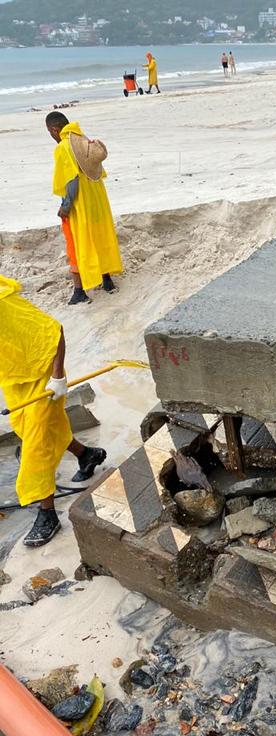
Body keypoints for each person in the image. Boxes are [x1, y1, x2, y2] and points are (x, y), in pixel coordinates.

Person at [0, 275, 107, 547]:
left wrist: (58, 378)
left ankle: (47, 514)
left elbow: (54, 330)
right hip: (15, 380)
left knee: (36, 445)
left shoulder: (6, 306)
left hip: (43, 375)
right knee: (45, 429)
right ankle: (87, 455)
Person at [46, 112, 122, 306]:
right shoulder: (83, 140)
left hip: (81, 204)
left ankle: (79, 291)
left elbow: (71, 180)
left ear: (55, 129)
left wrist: (65, 206)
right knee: (99, 238)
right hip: (98, 200)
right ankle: (107, 281)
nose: (51, 136)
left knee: (76, 244)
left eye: (49, 132)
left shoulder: (64, 147)